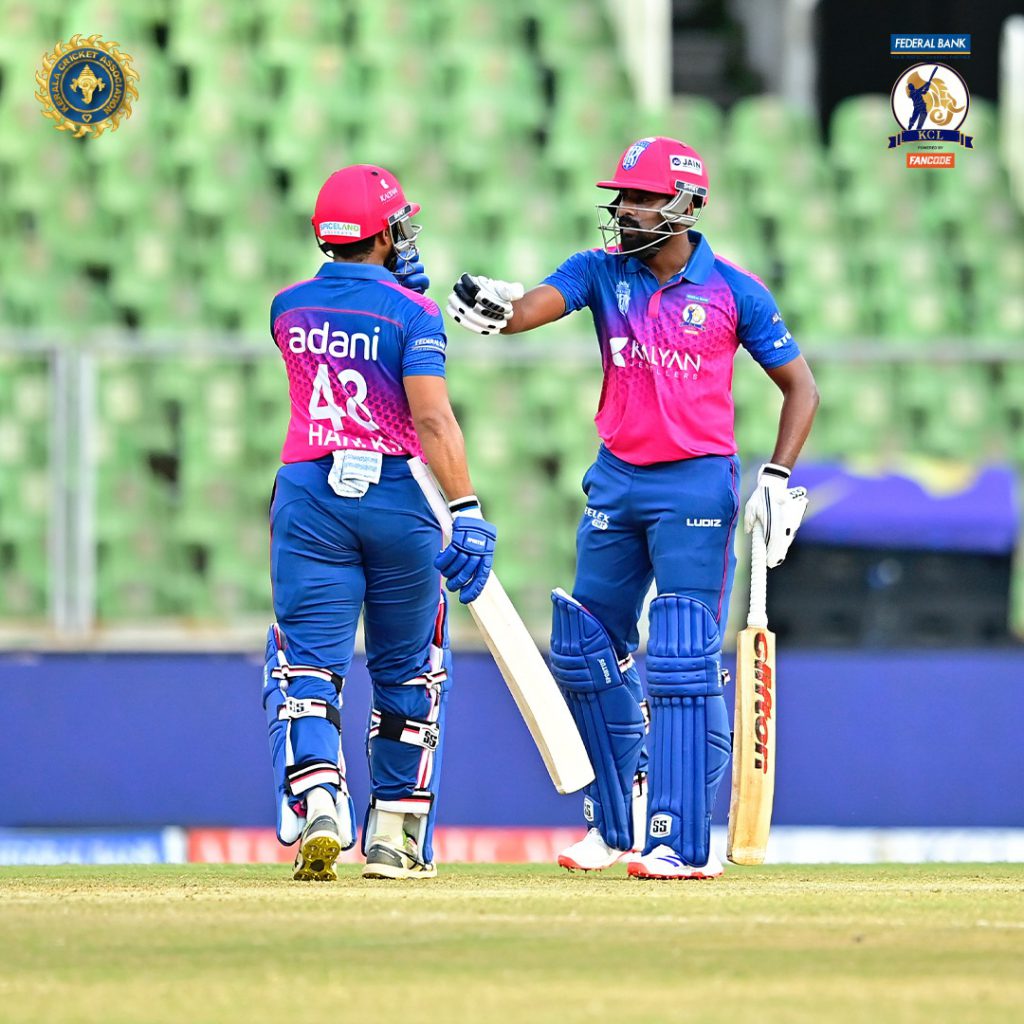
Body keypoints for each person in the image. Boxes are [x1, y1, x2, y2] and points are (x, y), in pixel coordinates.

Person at [446, 136, 818, 880]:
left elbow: (801, 388)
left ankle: (684, 841)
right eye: (623, 196)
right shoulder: (599, 271)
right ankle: (614, 826)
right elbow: (529, 310)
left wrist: (777, 476)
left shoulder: (734, 291)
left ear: (685, 206)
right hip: (616, 480)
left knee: (682, 653)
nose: (625, 209)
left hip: (696, 486)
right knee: (585, 648)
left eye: (643, 198)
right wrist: (500, 307)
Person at [263, 164, 497, 882]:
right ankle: (394, 836)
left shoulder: (284, 307)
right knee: (408, 669)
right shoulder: (413, 315)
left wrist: (386, 291)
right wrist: (466, 509)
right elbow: (432, 418)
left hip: (311, 494)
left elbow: (340, 326)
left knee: (307, 663)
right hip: (399, 498)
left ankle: (319, 798)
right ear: (389, 233)